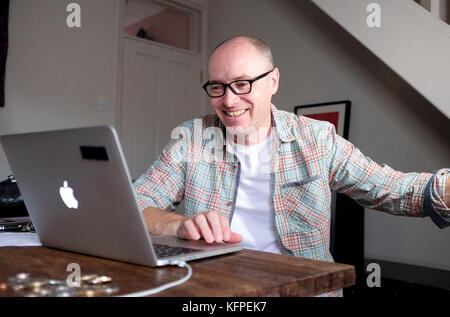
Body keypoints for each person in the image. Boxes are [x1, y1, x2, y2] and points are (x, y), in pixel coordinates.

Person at [133, 36, 450, 297]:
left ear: (272, 81)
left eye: (242, 84)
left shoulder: (317, 139)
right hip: (218, 293)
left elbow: (389, 189)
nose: (228, 101)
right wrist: (179, 226)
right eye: (217, 86)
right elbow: (135, 202)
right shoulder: (191, 138)